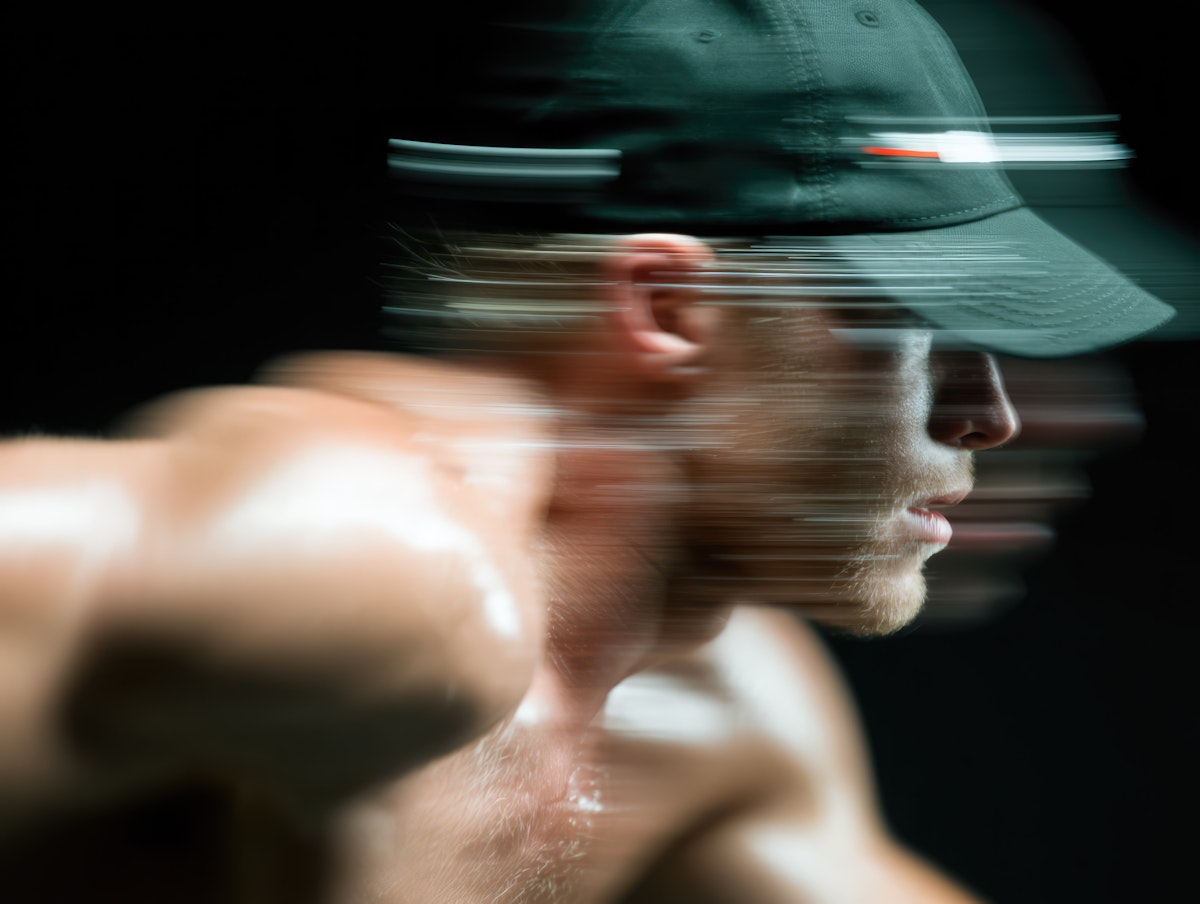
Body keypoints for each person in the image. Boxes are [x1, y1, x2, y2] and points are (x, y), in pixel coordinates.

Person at [0, 1, 1175, 901]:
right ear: (668, 309)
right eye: (920, 332)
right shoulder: (377, 562)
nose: (988, 417)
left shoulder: (719, 714)